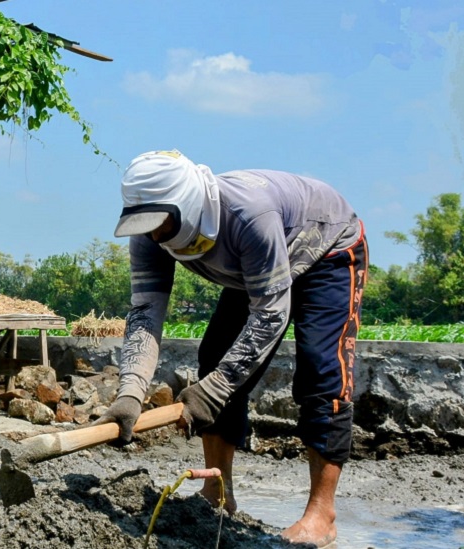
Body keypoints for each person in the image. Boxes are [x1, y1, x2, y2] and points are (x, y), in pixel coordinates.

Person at [95, 150, 368, 548]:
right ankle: (218, 494)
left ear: (188, 205)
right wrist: (130, 394)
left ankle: (321, 515)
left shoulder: (246, 216)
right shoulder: (149, 233)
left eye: (163, 225)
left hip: (327, 248)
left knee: (321, 370)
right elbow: (145, 313)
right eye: (147, 226)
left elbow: (270, 316)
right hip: (257, 272)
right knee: (215, 357)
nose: (156, 236)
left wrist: (216, 390)